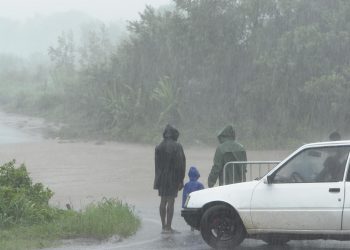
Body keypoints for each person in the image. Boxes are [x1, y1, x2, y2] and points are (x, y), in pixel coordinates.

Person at [154, 124, 186, 234]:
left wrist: (157, 179)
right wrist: (181, 180)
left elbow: (157, 166)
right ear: (173, 135)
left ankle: (163, 225)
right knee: (171, 202)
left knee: (163, 201)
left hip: (162, 177)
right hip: (173, 177)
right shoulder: (177, 146)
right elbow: (181, 165)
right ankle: (169, 227)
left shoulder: (158, 146)